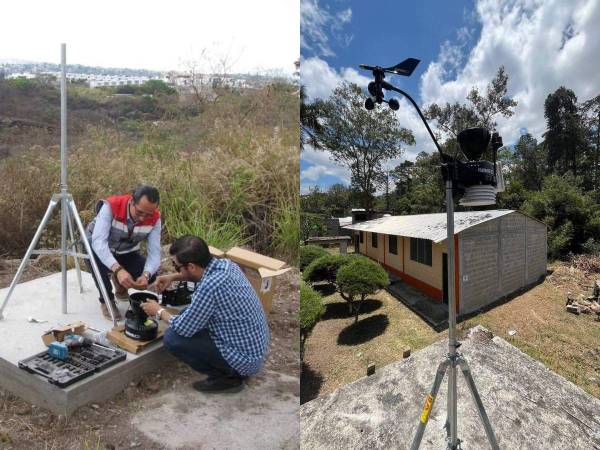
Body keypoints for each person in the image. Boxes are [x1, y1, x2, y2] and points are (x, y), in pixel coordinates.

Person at [141, 235, 270, 393]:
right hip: (253, 351)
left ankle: (229, 378)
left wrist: (159, 311)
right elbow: (202, 276)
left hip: (243, 361)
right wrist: (173, 276)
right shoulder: (227, 265)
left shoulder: (210, 287)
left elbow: (183, 328)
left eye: (176, 266)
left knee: (173, 338)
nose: (175, 269)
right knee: (188, 313)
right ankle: (232, 370)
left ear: (192, 267)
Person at [85, 185, 161, 320]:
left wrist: (146, 275)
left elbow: (155, 253)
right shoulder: (111, 206)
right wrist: (118, 269)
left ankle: (120, 284)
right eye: (139, 213)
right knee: (99, 266)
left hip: (126, 251)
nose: (143, 218)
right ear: (132, 202)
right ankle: (106, 300)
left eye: (149, 214)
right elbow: (98, 243)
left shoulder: (155, 218)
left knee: (153, 274)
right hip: (96, 248)